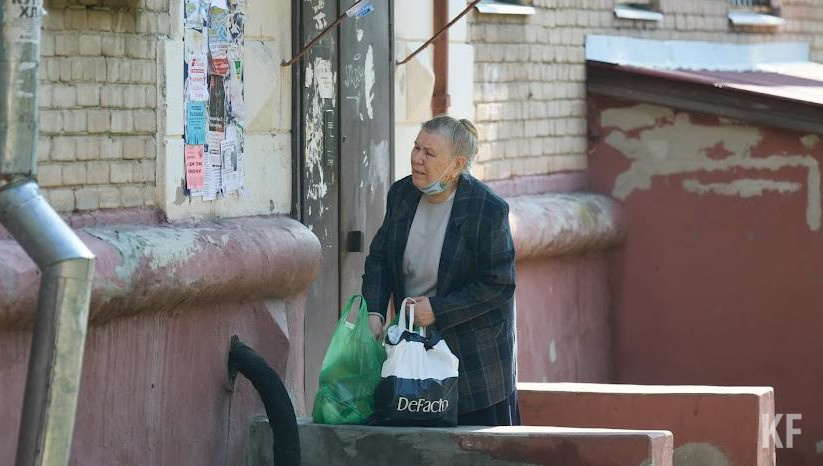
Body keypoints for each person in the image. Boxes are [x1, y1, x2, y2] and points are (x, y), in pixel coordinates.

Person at [361, 115, 519, 426]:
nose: (417, 158)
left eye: (429, 153)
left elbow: (498, 286)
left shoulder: (487, 209)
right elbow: (379, 258)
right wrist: (375, 312)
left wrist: (438, 310)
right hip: (410, 356)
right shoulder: (402, 194)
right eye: (416, 147)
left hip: (473, 364)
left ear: (457, 165)